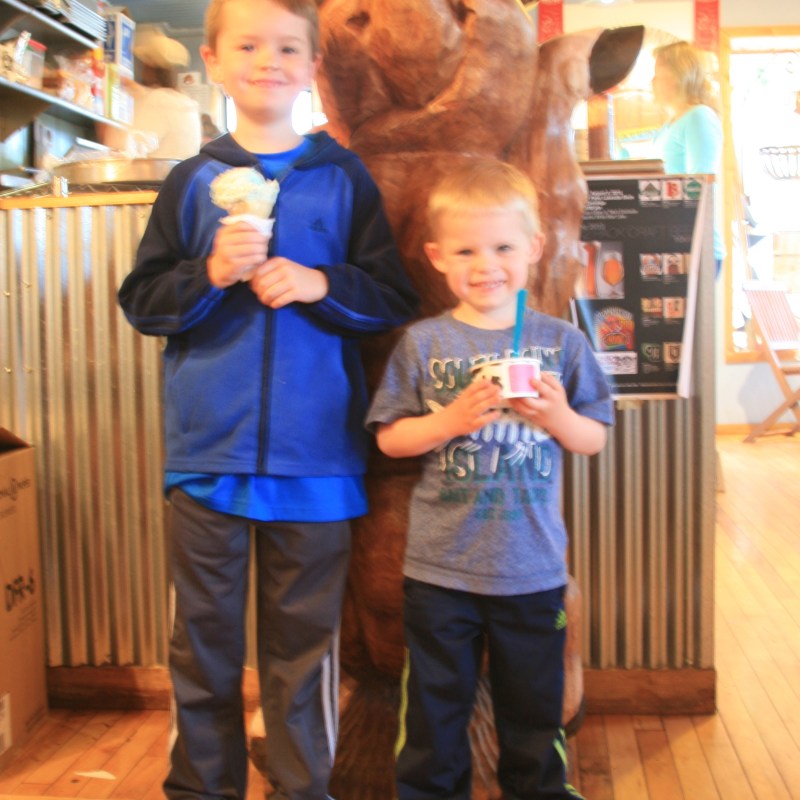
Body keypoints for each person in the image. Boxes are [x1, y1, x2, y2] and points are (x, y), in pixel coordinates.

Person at [117, 0, 419, 797]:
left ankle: (301, 789)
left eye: (289, 46)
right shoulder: (192, 180)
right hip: (207, 459)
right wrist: (210, 273)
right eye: (248, 44)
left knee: (302, 653)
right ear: (212, 60)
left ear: (312, 65)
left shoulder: (341, 175)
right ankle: (201, 787)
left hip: (317, 462)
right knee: (204, 646)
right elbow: (143, 301)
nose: (269, 59)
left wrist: (322, 284)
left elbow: (389, 294)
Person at [366, 159, 614, 800]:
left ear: (533, 249)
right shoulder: (423, 344)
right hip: (438, 572)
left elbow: (594, 438)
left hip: (533, 571)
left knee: (534, 717)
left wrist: (556, 413)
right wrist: (448, 419)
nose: (486, 264)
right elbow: (391, 437)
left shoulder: (560, 341)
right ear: (437, 257)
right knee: (432, 717)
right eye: (467, 249)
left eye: (503, 246)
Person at [651, 40, 725, 275]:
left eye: (658, 74)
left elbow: (701, 185)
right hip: (675, 241)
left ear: (679, 76)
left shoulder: (699, 117)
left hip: (696, 245)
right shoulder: (670, 124)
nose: (652, 82)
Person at [100, 28, 202, 159]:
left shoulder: (158, 101)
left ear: (150, 68)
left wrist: (103, 105)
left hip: (154, 178)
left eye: (144, 65)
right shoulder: (187, 105)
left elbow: (124, 151)